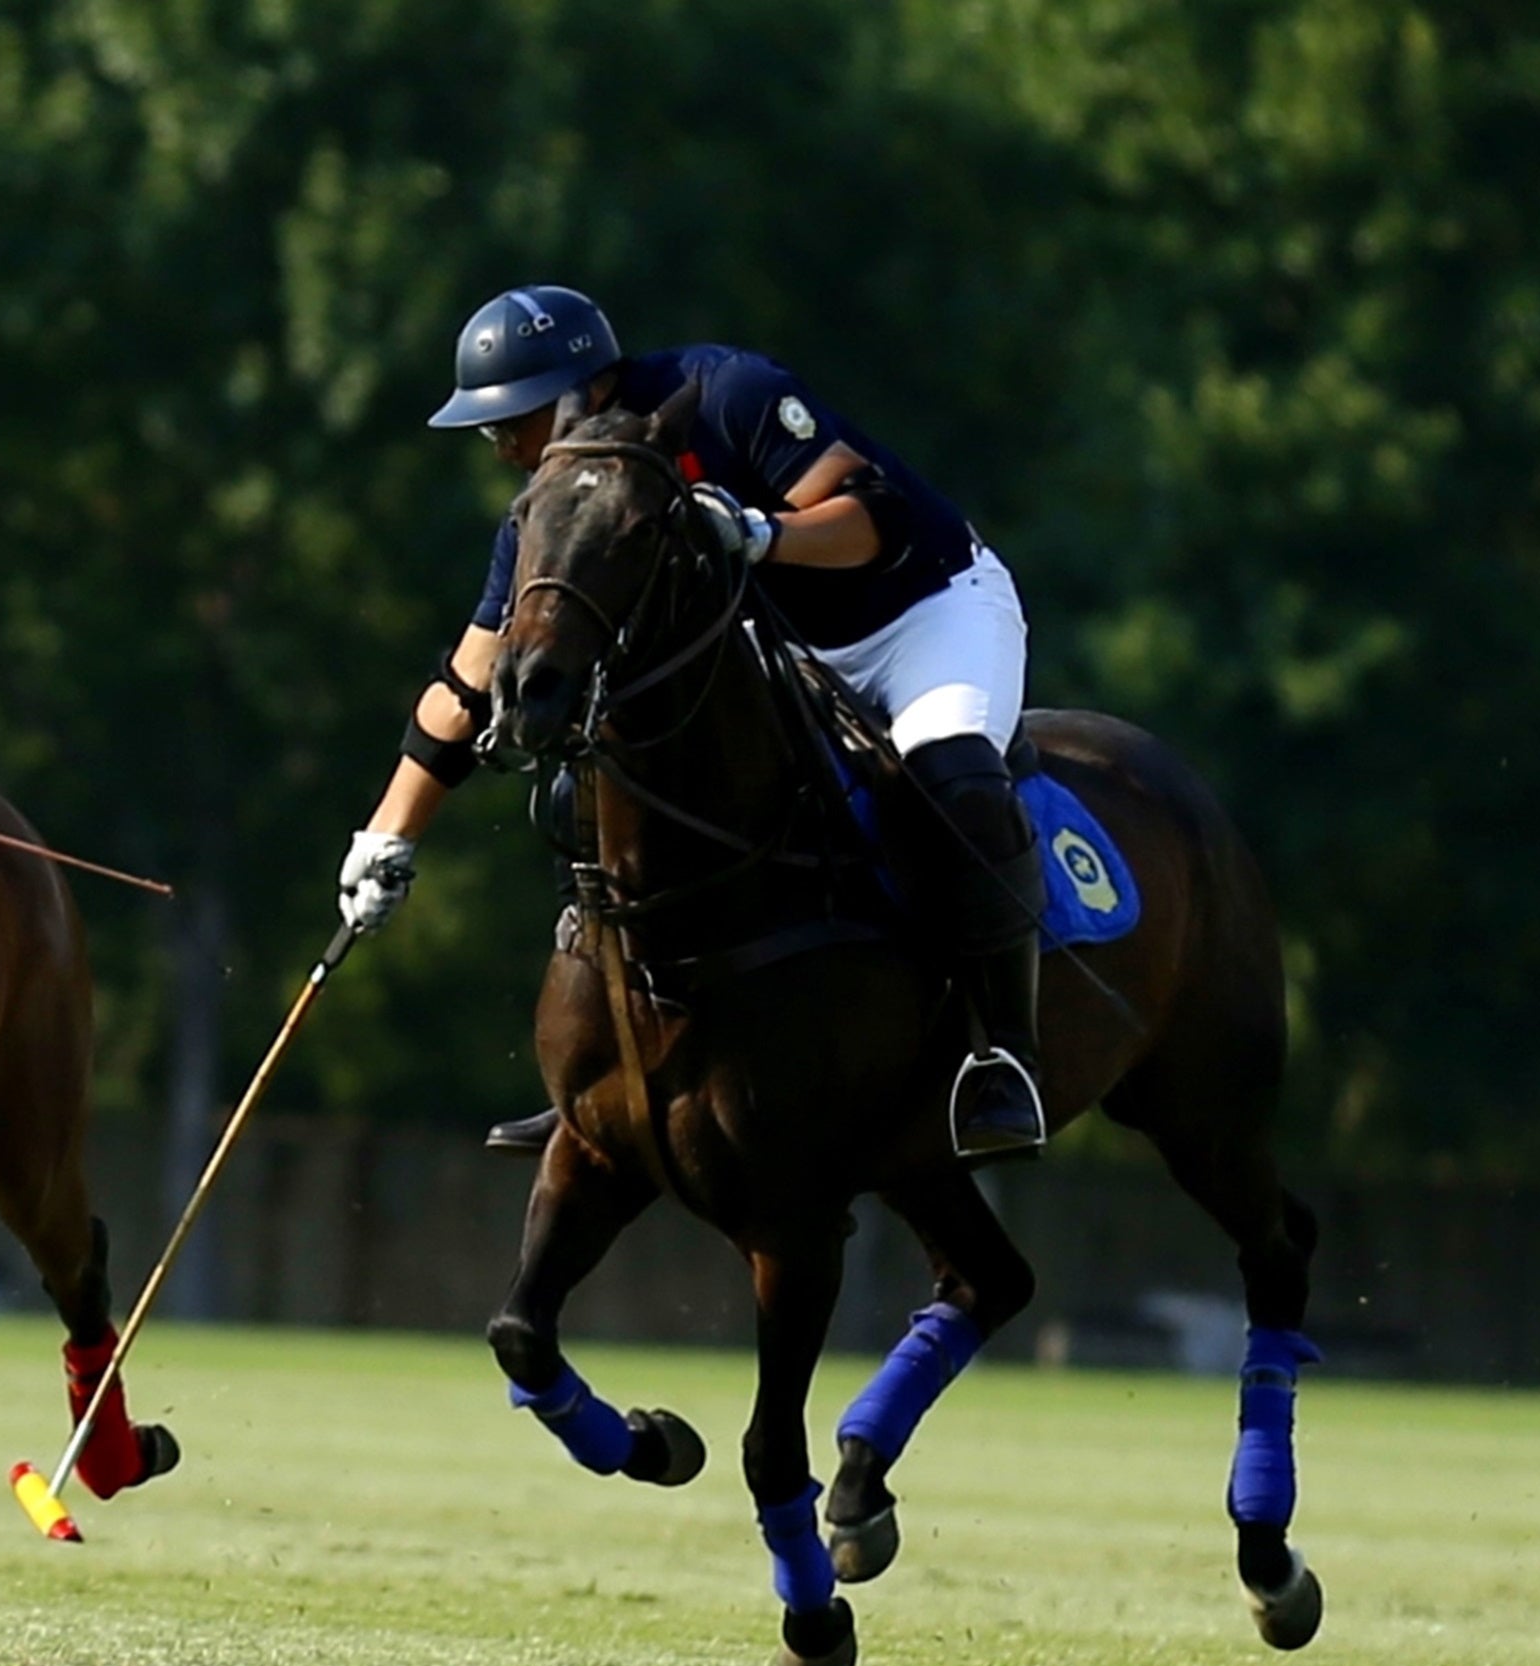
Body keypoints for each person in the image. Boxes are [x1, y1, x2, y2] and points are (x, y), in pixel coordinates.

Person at [335, 286, 1045, 1162]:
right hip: (788, 651)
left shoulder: (727, 394)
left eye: (506, 425)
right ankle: (608, 1071)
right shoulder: (551, 511)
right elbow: (469, 678)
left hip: (921, 614)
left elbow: (871, 522)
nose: (502, 449)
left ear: (578, 395)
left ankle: (1003, 1054)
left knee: (954, 782)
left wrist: (757, 533)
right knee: (596, 796)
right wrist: (388, 836)